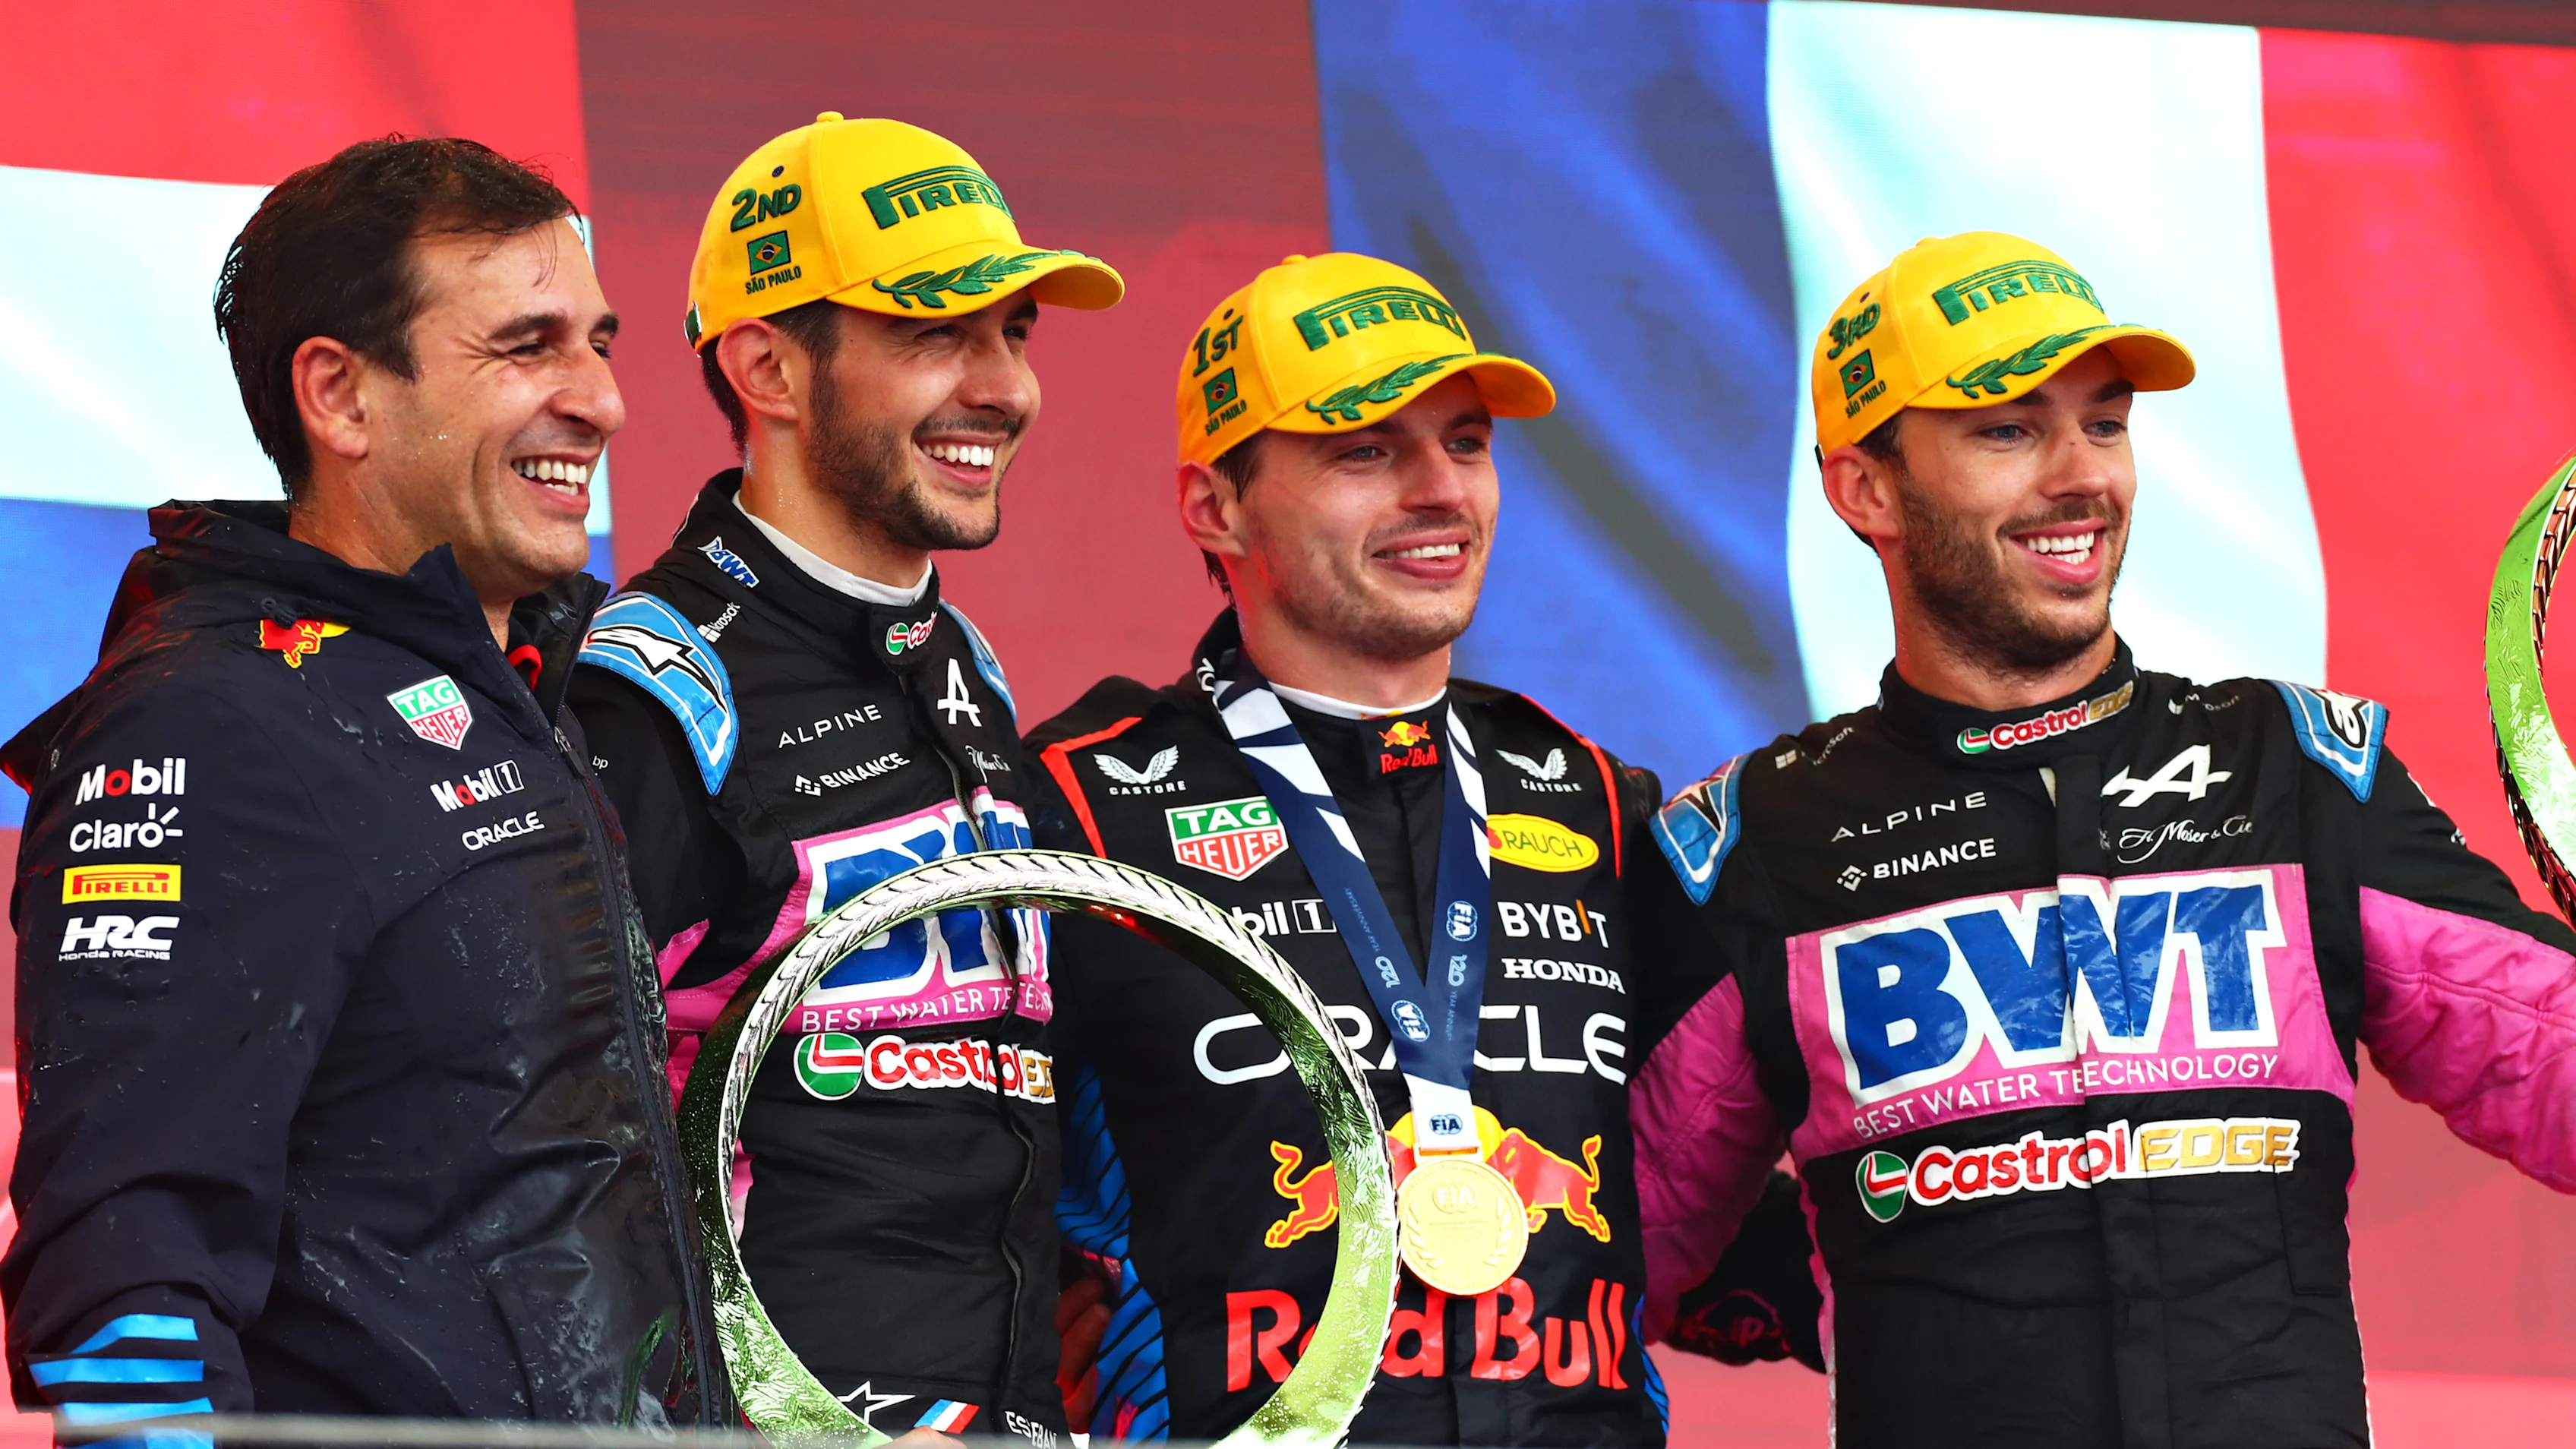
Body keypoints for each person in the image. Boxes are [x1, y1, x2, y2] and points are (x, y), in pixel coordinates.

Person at [1639, 230, 2576, 1447]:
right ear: (1864, 486)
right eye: (2009, 430)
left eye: (2106, 422)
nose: (2081, 475)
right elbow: (1614, 1236)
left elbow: (2543, 1049)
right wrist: (1803, 1278)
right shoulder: (1762, 836)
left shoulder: (2291, 766)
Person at [0, 138, 723, 1425]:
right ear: (339, 397)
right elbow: (126, 1284)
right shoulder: (215, 723)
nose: (603, 401)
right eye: (527, 346)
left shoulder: (517, 680)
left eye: (599, 343)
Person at [1027, 253, 1706, 1445]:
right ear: (1214, 505)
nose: (1440, 490)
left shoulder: (1600, 804)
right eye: (1366, 450)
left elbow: (1716, 1171)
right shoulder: (1080, 811)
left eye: (1467, 442)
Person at [566, 114, 1121, 1446]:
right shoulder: (652, 684)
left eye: (1017, 335)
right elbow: (560, 1144)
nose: (1004, 388)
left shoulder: (961, 658)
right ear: (768, 365)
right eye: (937, 335)